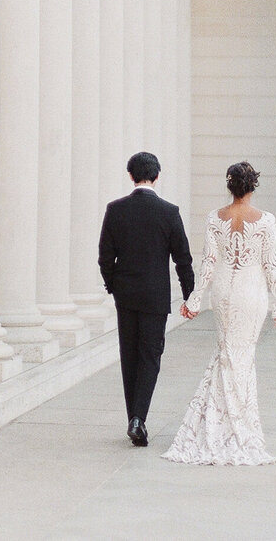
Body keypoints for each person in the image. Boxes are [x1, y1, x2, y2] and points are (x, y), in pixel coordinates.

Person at [163, 160, 276, 466]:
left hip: (222, 291)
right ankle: (238, 429)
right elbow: (271, 265)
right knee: (241, 356)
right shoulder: (266, 220)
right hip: (250, 293)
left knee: (227, 353)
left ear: (230, 186)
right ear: (253, 186)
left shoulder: (214, 218)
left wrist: (194, 300)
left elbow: (207, 263)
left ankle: (218, 424)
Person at [96, 151, 194, 447]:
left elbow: (104, 257)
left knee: (129, 356)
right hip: (155, 297)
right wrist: (191, 296)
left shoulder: (116, 209)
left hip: (126, 296)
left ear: (130, 175)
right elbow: (183, 259)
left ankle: (133, 418)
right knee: (150, 356)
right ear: (157, 175)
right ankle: (138, 418)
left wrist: (113, 285)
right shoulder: (169, 212)